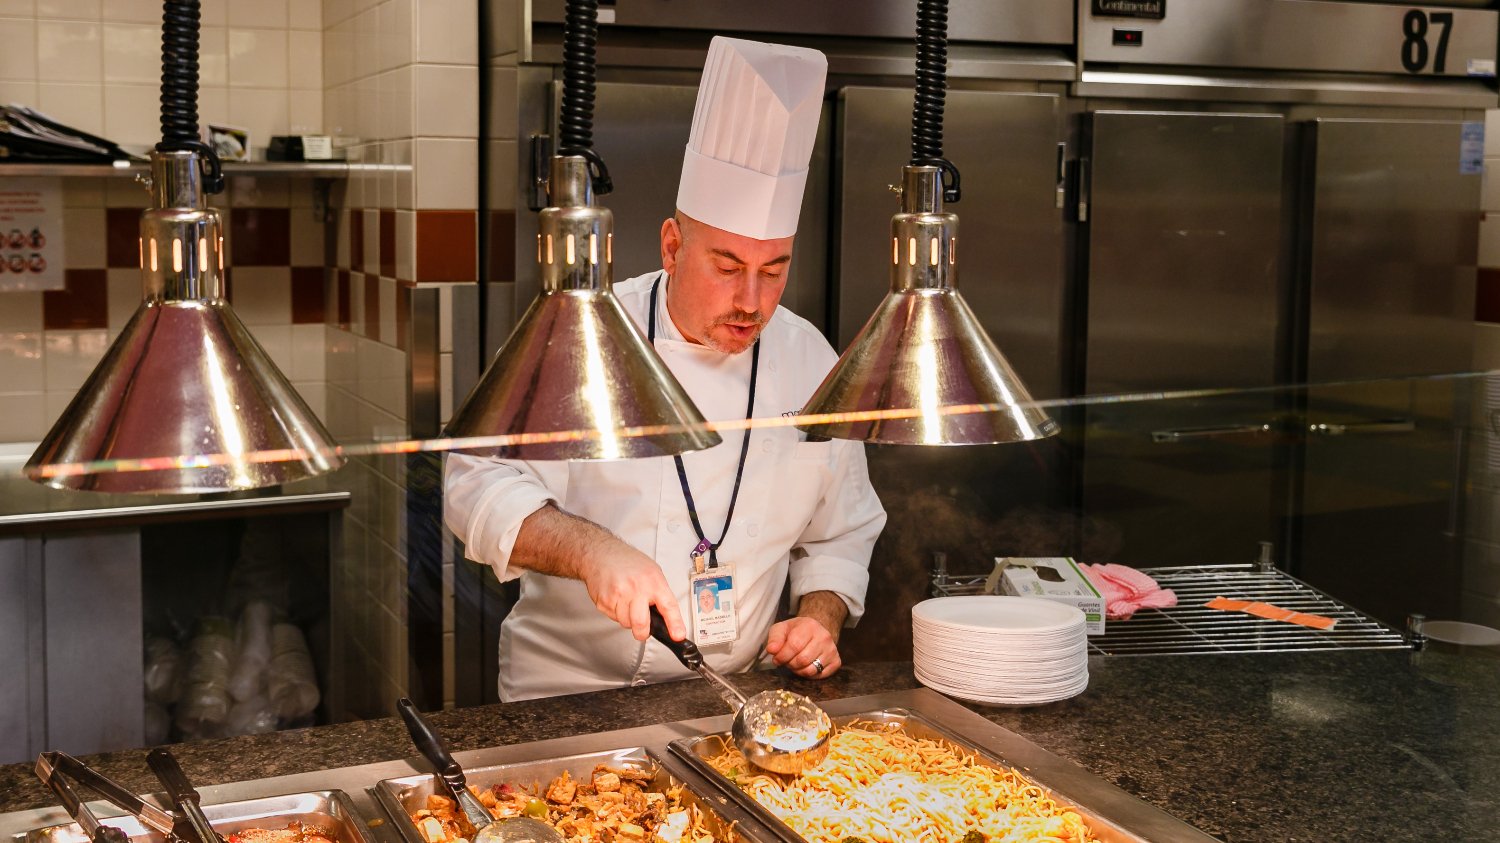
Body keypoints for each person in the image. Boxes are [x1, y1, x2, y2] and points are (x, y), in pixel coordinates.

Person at [444, 36, 887, 702]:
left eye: (774, 270)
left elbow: (842, 528)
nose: (751, 301)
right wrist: (592, 550)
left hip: (729, 704)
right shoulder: (585, 334)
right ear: (673, 246)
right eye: (728, 267)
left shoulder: (809, 361)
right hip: (563, 697)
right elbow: (471, 480)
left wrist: (818, 617)